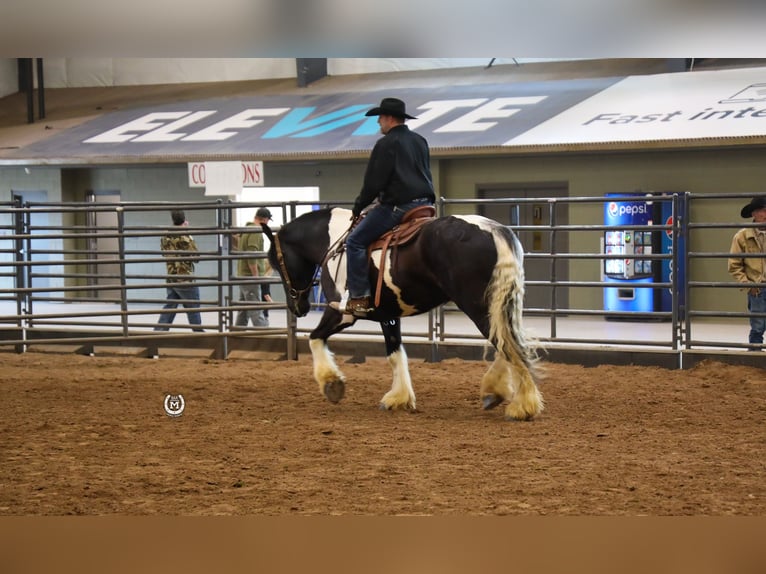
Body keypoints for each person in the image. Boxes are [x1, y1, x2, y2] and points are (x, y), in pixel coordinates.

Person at [345, 97, 435, 317]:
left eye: (380, 118)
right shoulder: (420, 140)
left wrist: (359, 206)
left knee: (354, 241)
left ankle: (358, 297)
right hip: (425, 205)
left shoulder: (386, 144)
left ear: (389, 118)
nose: (378, 123)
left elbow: (374, 183)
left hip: (398, 207)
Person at [728, 195, 766, 350]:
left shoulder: (743, 235)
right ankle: (755, 359)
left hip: (757, 288)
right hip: (757, 289)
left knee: (757, 325)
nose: (765, 214)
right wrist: (748, 284)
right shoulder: (742, 236)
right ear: (754, 214)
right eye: (762, 210)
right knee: (757, 327)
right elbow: (734, 265)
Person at [155, 209, 204, 332]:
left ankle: (158, 333)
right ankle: (199, 335)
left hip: (171, 276)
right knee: (193, 307)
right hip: (185, 277)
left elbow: (164, 253)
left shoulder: (166, 235)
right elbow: (196, 257)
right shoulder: (185, 237)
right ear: (184, 219)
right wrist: (188, 233)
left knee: (170, 307)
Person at [235, 207, 272, 328]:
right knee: (256, 309)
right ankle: (266, 337)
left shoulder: (246, 229)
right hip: (250, 276)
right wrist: (255, 276)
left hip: (243, 275)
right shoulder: (256, 230)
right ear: (265, 220)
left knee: (244, 310)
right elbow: (252, 254)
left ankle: (236, 336)